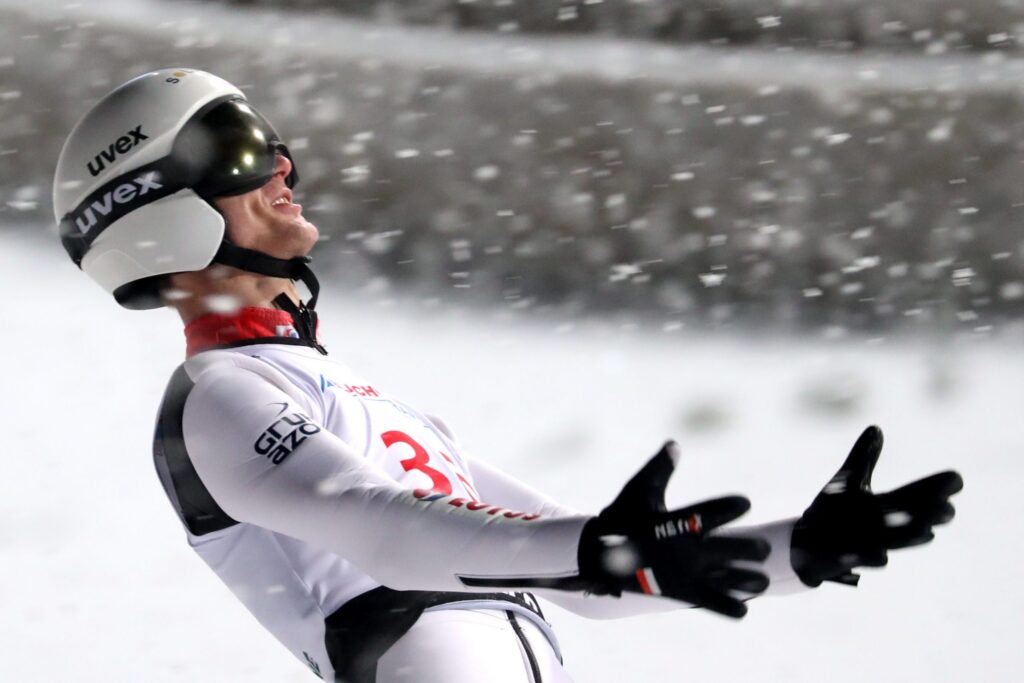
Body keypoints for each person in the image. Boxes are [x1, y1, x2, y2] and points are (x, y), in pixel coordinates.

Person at [53, 68, 963, 683]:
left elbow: (571, 563)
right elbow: (389, 533)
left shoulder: (363, 398)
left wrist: (797, 549)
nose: (282, 163)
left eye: (271, 140)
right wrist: (600, 550)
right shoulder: (220, 398)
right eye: (235, 149)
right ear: (155, 214)